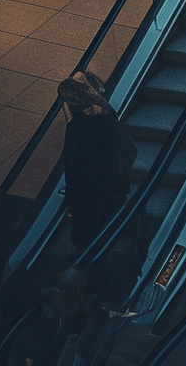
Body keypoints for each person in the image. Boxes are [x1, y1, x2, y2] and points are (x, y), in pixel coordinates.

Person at [55, 70, 134, 251]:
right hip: (113, 193)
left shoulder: (76, 128)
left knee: (88, 242)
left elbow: (72, 170)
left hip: (88, 201)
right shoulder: (109, 117)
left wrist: (72, 201)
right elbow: (128, 151)